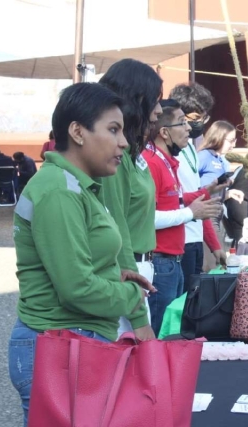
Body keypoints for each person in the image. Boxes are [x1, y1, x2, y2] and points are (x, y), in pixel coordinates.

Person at [8, 83, 156, 426]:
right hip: (59, 348)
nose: (124, 142)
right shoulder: (60, 190)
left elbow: (78, 263)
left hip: (75, 345)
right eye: (113, 130)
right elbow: (76, 288)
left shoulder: (83, 185)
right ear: (77, 132)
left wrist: (113, 275)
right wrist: (131, 293)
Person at [143, 105, 222, 335]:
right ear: (165, 132)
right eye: (182, 122)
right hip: (160, 262)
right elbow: (148, 217)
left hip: (172, 262)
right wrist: (191, 213)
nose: (189, 128)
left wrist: (206, 191)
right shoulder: (151, 162)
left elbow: (175, 200)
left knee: (173, 331)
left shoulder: (167, 161)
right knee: (159, 333)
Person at [99, 58, 162, 340]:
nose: (159, 110)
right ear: (137, 98)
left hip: (141, 266)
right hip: (129, 270)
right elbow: (116, 224)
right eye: (155, 101)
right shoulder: (118, 157)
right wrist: (137, 313)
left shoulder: (134, 154)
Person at [169, 83, 226, 289]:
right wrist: (206, 192)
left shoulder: (191, 149)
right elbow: (176, 199)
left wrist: (215, 246)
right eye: (194, 119)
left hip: (194, 241)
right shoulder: (169, 153)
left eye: (203, 117)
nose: (198, 124)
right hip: (178, 242)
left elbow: (201, 207)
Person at [197, 120, 243, 271]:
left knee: (218, 262)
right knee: (213, 264)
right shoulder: (203, 157)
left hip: (219, 215)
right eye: (230, 141)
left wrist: (228, 193)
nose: (233, 145)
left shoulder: (222, 160)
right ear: (218, 137)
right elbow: (191, 184)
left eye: (234, 140)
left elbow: (216, 189)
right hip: (207, 215)